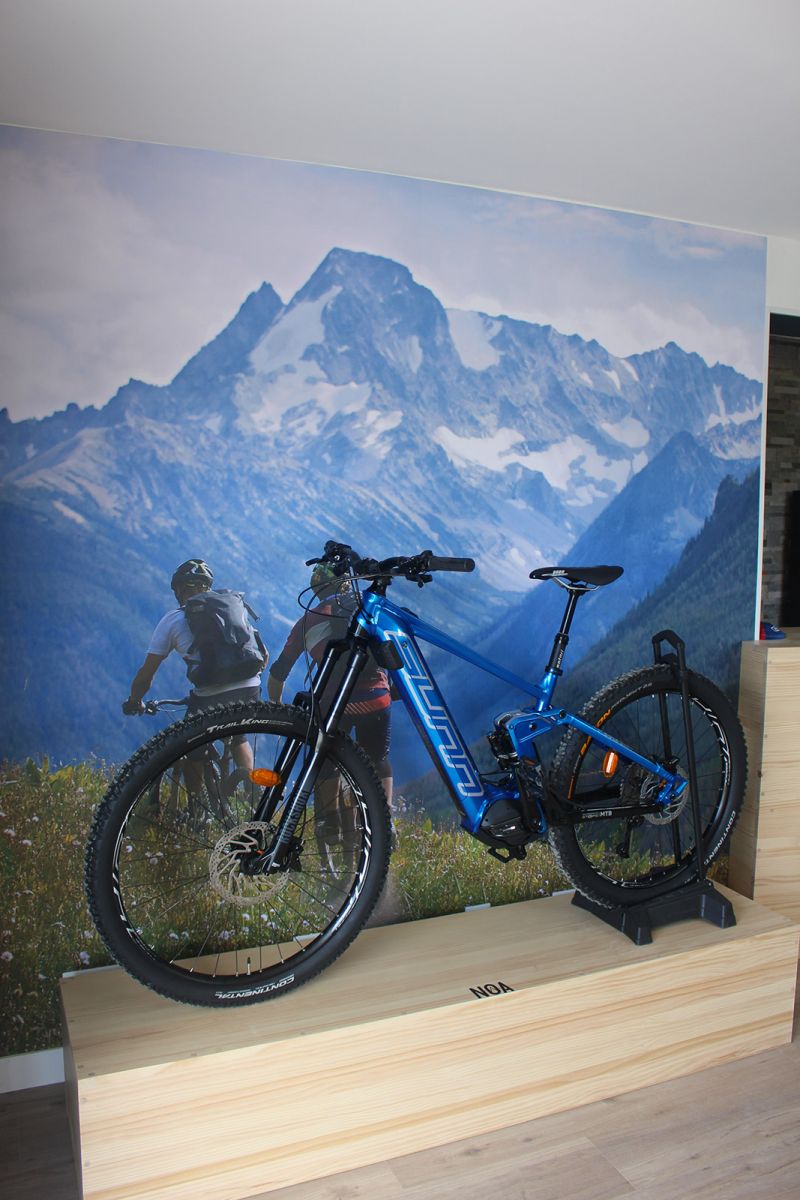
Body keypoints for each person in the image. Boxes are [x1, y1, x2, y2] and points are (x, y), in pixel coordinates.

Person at [123, 559, 267, 772]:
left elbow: (146, 674)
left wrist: (134, 701)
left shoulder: (173, 620)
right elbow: (263, 654)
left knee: (192, 754)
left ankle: (196, 792)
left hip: (210, 695)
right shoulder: (230, 607)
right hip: (250, 687)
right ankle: (251, 785)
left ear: (179, 590)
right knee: (239, 737)